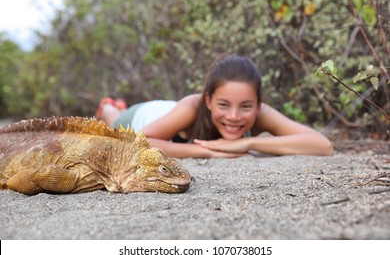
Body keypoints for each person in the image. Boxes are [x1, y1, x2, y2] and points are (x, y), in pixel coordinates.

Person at [97, 54, 333, 158]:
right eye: (223, 104)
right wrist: (207, 151)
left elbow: (322, 146)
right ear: (208, 100)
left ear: (258, 104)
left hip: (168, 112)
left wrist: (248, 142)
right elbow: (139, 141)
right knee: (112, 119)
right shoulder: (192, 106)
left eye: (246, 106)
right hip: (140, 117)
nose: (234, 116)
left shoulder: (260, 113)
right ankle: (109, 105)